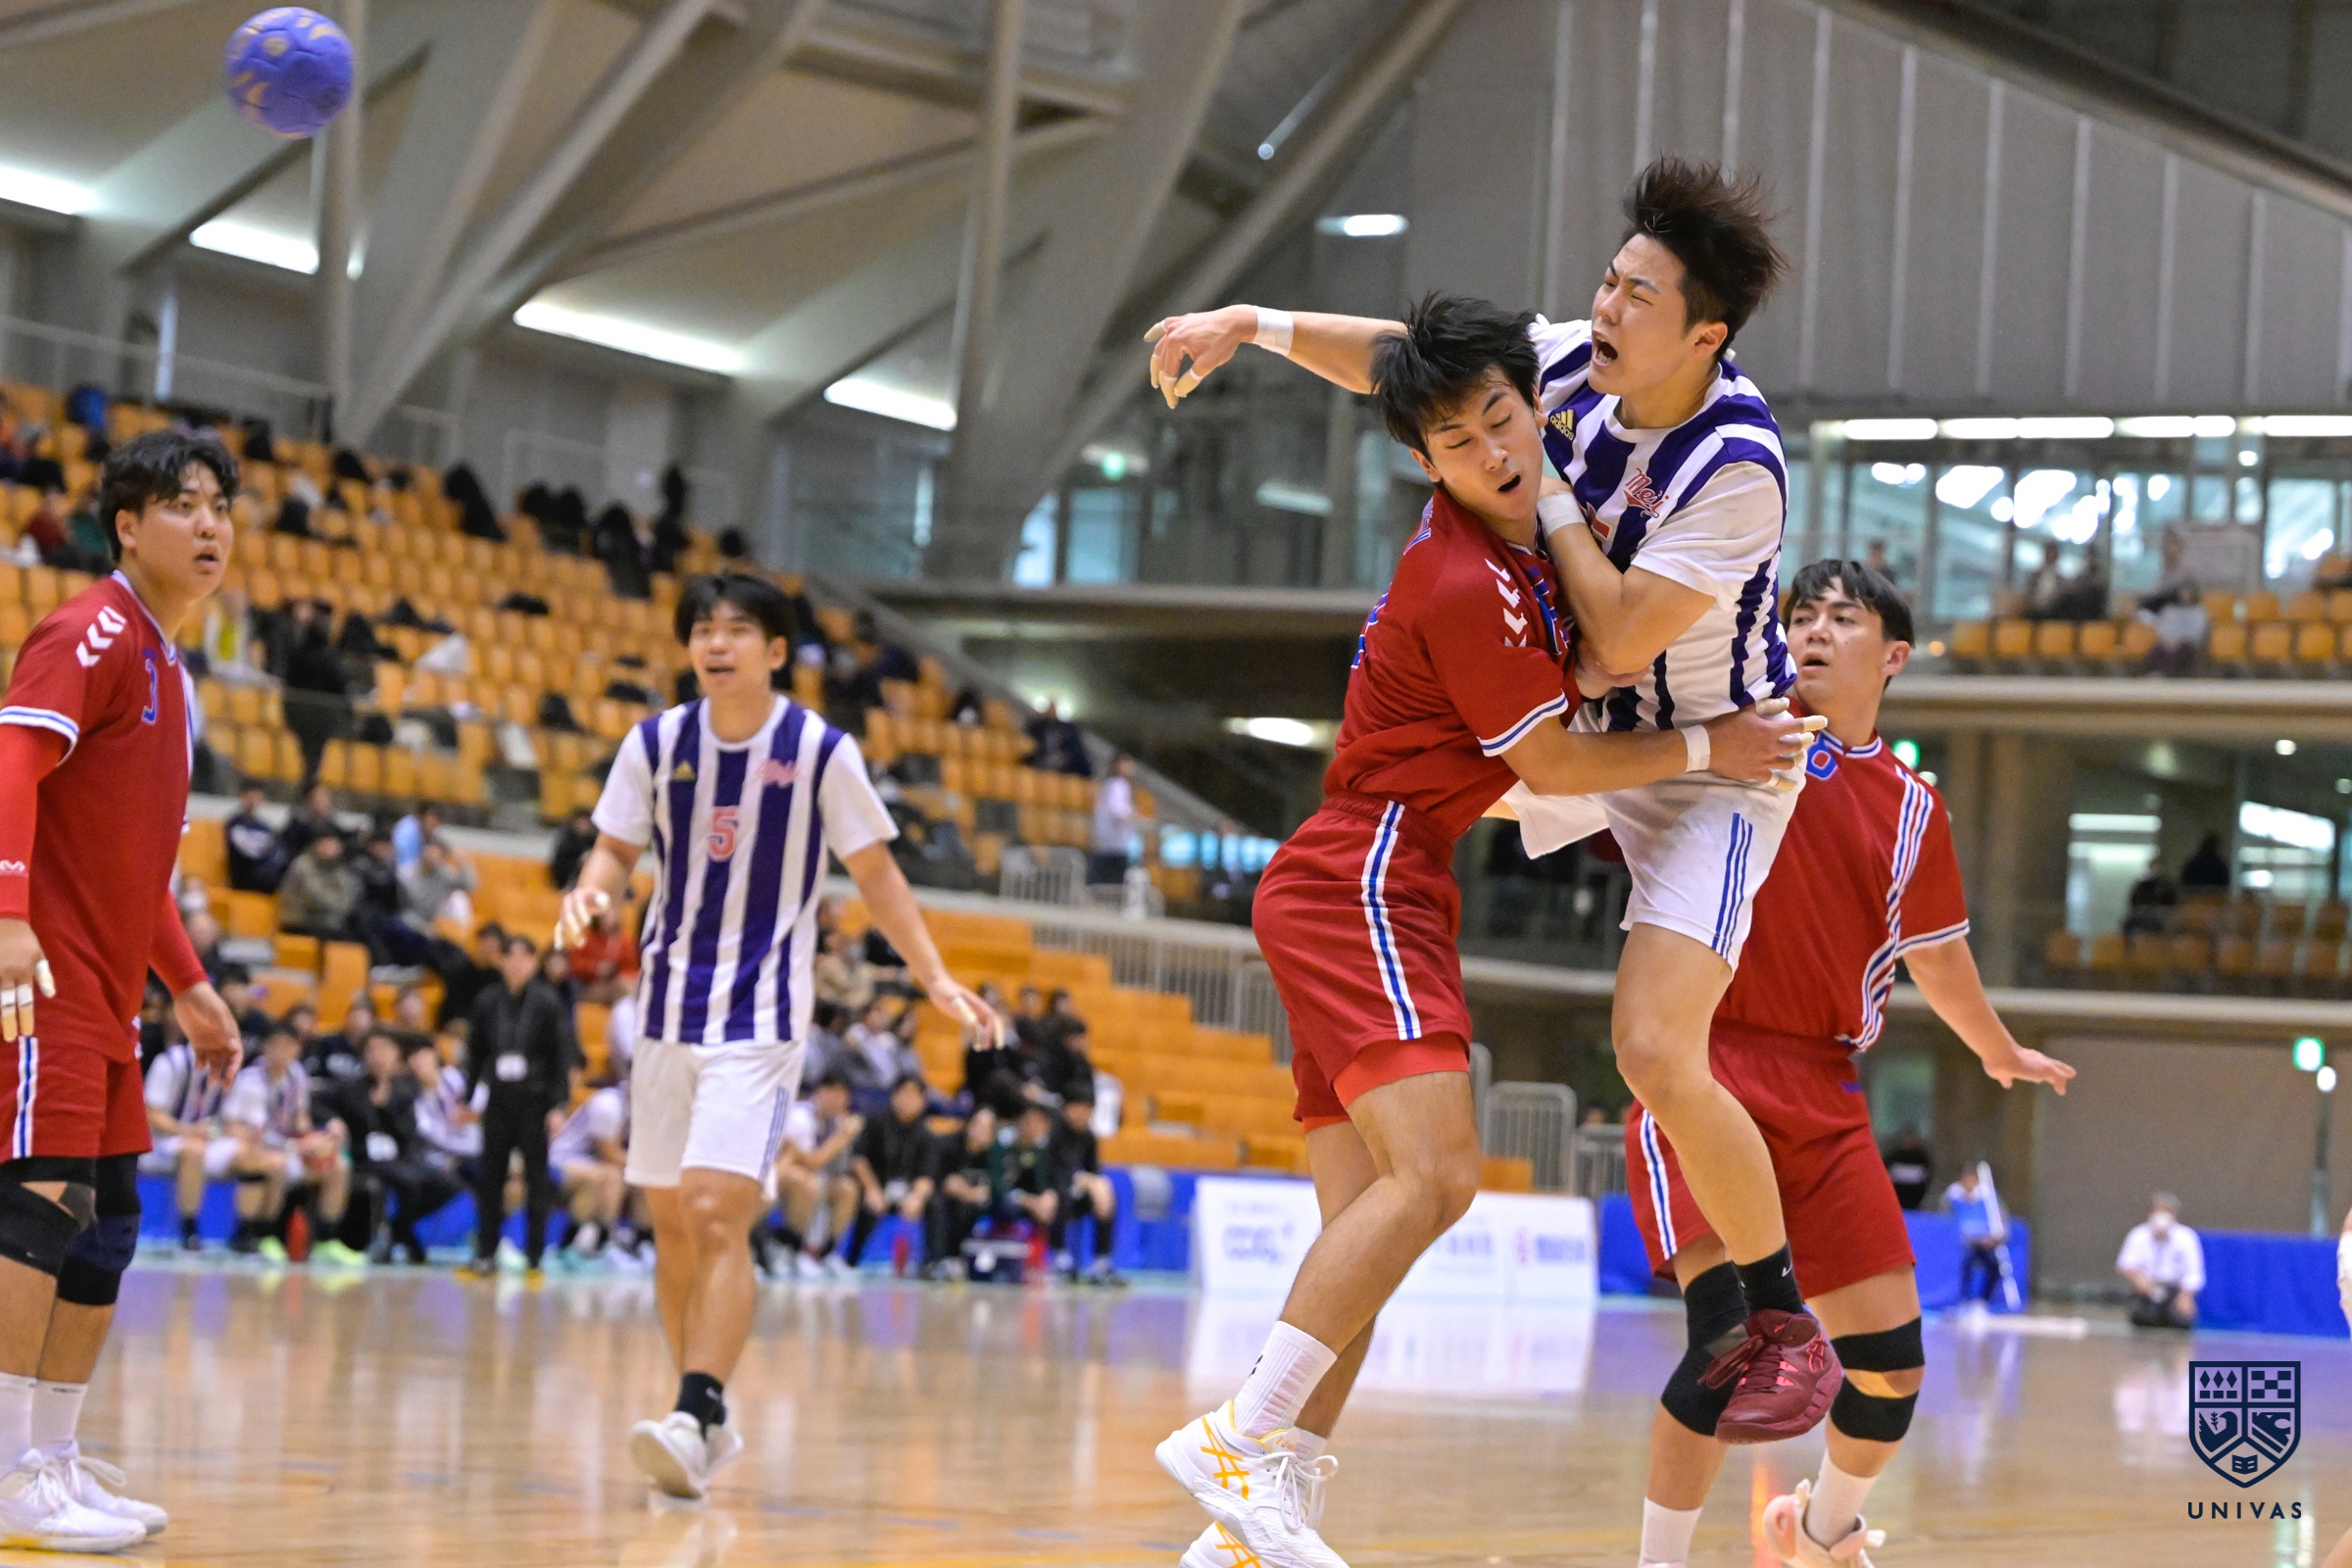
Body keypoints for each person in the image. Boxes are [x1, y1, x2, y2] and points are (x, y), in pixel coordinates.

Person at [1143, 286, 1819, 1565]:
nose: (1496, 452)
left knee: (1366, 1238)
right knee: (1443, 1177)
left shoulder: (1533, 514)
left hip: (1367, 874)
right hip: (1365, 872)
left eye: (1504, 420)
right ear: (1427, 465)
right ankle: (1241, 1436)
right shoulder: (1467, 577)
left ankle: (1251, 1530)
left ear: (1534, 402)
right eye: (1458, 443)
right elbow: (1553, 766)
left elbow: (1394, 357)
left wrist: (1253, 324)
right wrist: (1712, 747)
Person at [1605, 562, 2074, 1568]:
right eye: (1801, 615)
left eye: (1842, 618)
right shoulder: (1731, 734)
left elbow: (1936, 956)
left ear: (1893, 656)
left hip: (1823, 1086)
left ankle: (1820, 1534)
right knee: (1728, 1344)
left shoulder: (1913, 807)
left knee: (1894, 1368)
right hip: (1701, 1061)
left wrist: (1997, 1049)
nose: (1814, 631)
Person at [553, 571, 1001, 1502]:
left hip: (760, 1017)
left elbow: (876, 874)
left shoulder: (819, 750)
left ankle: (695, 1412)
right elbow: (615, 849)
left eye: (736, 630)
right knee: (673, 1224)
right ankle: (701, 1415)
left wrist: (933, 976)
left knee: (716, 1208)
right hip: (665, 1010)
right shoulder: (655, 743)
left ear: (776, 650)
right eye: (702, 630)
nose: (716, 644)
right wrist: (591, 893)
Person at [0, 429, 246, 1548]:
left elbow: (136, 867)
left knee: (106, 1227)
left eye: (221, 508)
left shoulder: (173, 675)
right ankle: (8, 1469)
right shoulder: (91, 629)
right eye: (185, 504)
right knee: (38, 1206)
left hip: (111, 993)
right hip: (42, 975)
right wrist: (8, 913)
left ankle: (51, 1459)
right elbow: (11, 764)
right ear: (129, 527)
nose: (210, 525)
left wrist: (188, 985)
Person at [461, 935, 571, 1278]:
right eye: (512, 956)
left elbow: (561, 1056)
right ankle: (485, 1253)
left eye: (526, 957)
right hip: (498, 1101)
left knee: (536, 1179)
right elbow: (475, 1053)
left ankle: (534, 1256)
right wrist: (469, 1096)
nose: (519, 964)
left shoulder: (547, 1002)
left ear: (535, 963)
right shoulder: (487, 1001)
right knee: (490, 1178)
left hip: (534, 1102)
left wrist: (558, 1105)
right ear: (502, 961)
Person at [322, 1029, 462, 1264]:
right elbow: (318, 1102)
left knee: (448, 1183)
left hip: (402, 1156)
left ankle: (398, 1230)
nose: (379, 1056)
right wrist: (332, 1121)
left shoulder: (408, 1087)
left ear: (397, 1054)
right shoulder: (351, 1089)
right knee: (406, 1182)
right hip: (366, 1158)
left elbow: (410, 1130)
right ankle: (405, 1239)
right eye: (372, 1050)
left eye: (385, 1049)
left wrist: (388, 1099)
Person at [222, 1023, 355, 1263]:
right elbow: (247, 1130)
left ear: (297, 1049)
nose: (282, 1052)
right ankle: (265, 1235)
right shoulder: (252, 1080)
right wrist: (297, 1146)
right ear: (265, 1048)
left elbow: (300, 1121)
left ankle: (327, 1240)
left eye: (288, 1046)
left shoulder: (296, 1074)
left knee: (338, 1166)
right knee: (276, 1164)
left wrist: (316, 1137)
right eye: (276, 1046)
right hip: (251, 1145)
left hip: (284, 1145)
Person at [138, 1034, 231, 1252]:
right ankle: (189, 1229)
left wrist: (215, 1131)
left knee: (260, 1158)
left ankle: (252, 1230)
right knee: (194, 1151)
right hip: (159, 1140)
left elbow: (229, 1119)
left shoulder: (226, 1067)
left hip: (205, 1139)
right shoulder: (170, 1062)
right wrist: (188, 1130)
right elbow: (151, 1114)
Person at [770, 1070, 860, 1279]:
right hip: (784, 1176)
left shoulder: (837, 1121)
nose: (838, 1101)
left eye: (843, 1096)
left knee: (847, 1188)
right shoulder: (801, 1116)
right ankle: (791, 1248)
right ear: (819, 1092)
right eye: (833, 1093)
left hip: (817, 1178)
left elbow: (840, 1168)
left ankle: (826, 1254)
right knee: (808, 1183)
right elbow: (810, 1162)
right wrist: (842, 1138)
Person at [846, 1074, 940, 1270]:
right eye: (904, 1094)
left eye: (915, 1096)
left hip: (906, 1191)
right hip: (876, 1186)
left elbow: (927, 1175)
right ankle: (850, 1261)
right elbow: (858, 1160)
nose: (908, 1100)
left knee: (934, 1205)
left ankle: (931, 1263)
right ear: (894, 1096)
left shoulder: (926, 1133)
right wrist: (872, 1189)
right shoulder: (876, 1122)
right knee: (866, 1205)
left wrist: (916, 1197)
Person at [548, 1069, 629, 1264]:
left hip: (587, 1162)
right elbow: (610, 1154)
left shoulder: (644, 1106)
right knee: (611, 1176)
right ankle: (606, 1241)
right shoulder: (609, 1104)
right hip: (562, 1158)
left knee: (616, 1178)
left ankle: (642, 1238)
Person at [1052, 1087, 1120, 1284]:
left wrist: (1099, 1187)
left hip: (1077, 1191)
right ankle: (1060, 1257)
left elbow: (1094, 1171)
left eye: (1089, 1111)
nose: (1086, 1116)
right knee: (1059, 1197)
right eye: (1082, 1110)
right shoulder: (1053, 1131)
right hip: (1052, 1188)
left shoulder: (1088, 1136)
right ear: (1069, 1108)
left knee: (1107, 1195)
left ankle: (1101, 1261)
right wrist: (1086, 1180)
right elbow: (1054, 1170)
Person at [925, 1105, 999, 1280]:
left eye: (986, 1128)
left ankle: (984, 1264)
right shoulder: (949, 1145)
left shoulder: (994, 1154)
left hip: (978, 1204)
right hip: (947, 1199)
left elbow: (994, 1187)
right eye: (977, 1124)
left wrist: (969, 1192)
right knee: (939, 1205)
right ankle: (940, 1260)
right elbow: (946, 1183)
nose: (980, 1131)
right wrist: (969, 1193)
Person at [2118, 1193, 2203, 1329]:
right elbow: (2127, 1264)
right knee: (2143, 1317)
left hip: (2173, 1290)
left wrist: (2186, 1297)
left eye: (2166, 1211)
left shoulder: (2187, 1237)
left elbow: (2194, 1274)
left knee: (2181, 1320)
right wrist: (2142, 1283)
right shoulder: (2138, 1235)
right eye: (2158, 1211)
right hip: (2147, 1289)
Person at [276, 830, 360, 943]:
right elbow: (313, 898)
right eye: (327, 843)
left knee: (357, 936)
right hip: (299, 922)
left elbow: (349, 895)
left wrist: (340, 908)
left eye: (335, 844)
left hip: (327, 924)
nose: (332, 848)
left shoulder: (339, 869)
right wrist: (336, 906)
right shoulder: (303, 865)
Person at [1945, 1164, 2005, 1306]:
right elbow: (1945, 1221)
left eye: (1972, 1179)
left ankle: (1983, 1300)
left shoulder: (1988, 1197)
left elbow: (2001, 1220)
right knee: (1966, 1262)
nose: (1969, 1183)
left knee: (1994, 1266)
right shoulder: (1952, 1197)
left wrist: (1994, 1237)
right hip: (1964, 1244)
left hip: (1985, 1243)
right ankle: (1963, 1299)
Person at [223, 779, 284, 893]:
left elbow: (277, 849)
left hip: (264, 872)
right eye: (250, 796)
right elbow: (249, 852)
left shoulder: (264, 826)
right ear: (242, 796)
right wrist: (267, 855)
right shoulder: (235, 823)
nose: (253, 801)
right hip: (244, 874)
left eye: (257, 797)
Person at [1089, 754, 1140, 885]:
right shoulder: (1117, 785)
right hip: (1111, 845)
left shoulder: (1114, 785)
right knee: (1108, 886)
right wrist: (1133, 815)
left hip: (1113, 844)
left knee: (1107, 884)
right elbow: (1117, 810)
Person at [1880, 1126, 1932, 1211]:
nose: (1909, 1142)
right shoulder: (1893, 1158)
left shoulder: (1922, 1159)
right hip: (1895, 1203)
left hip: (1915, 1204)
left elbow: (1926, 1179)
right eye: (1907, 1139)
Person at [2123, 858, 2178, 936]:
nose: (2155, 870)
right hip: (2142, 914)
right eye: (2153, 867)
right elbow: (2134, 902)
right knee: (2129, 923)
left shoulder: (2167, 886)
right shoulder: (2141, 886)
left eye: (2157, 867)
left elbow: (2172, 902)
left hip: (2162, 915)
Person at [548, 808, 597, 893]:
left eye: (586, 822)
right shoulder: (567, 842)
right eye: (581, 822)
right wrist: (579, 861)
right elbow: (559, 866)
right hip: (568, 879)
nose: (584, 825)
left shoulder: (593, 841)